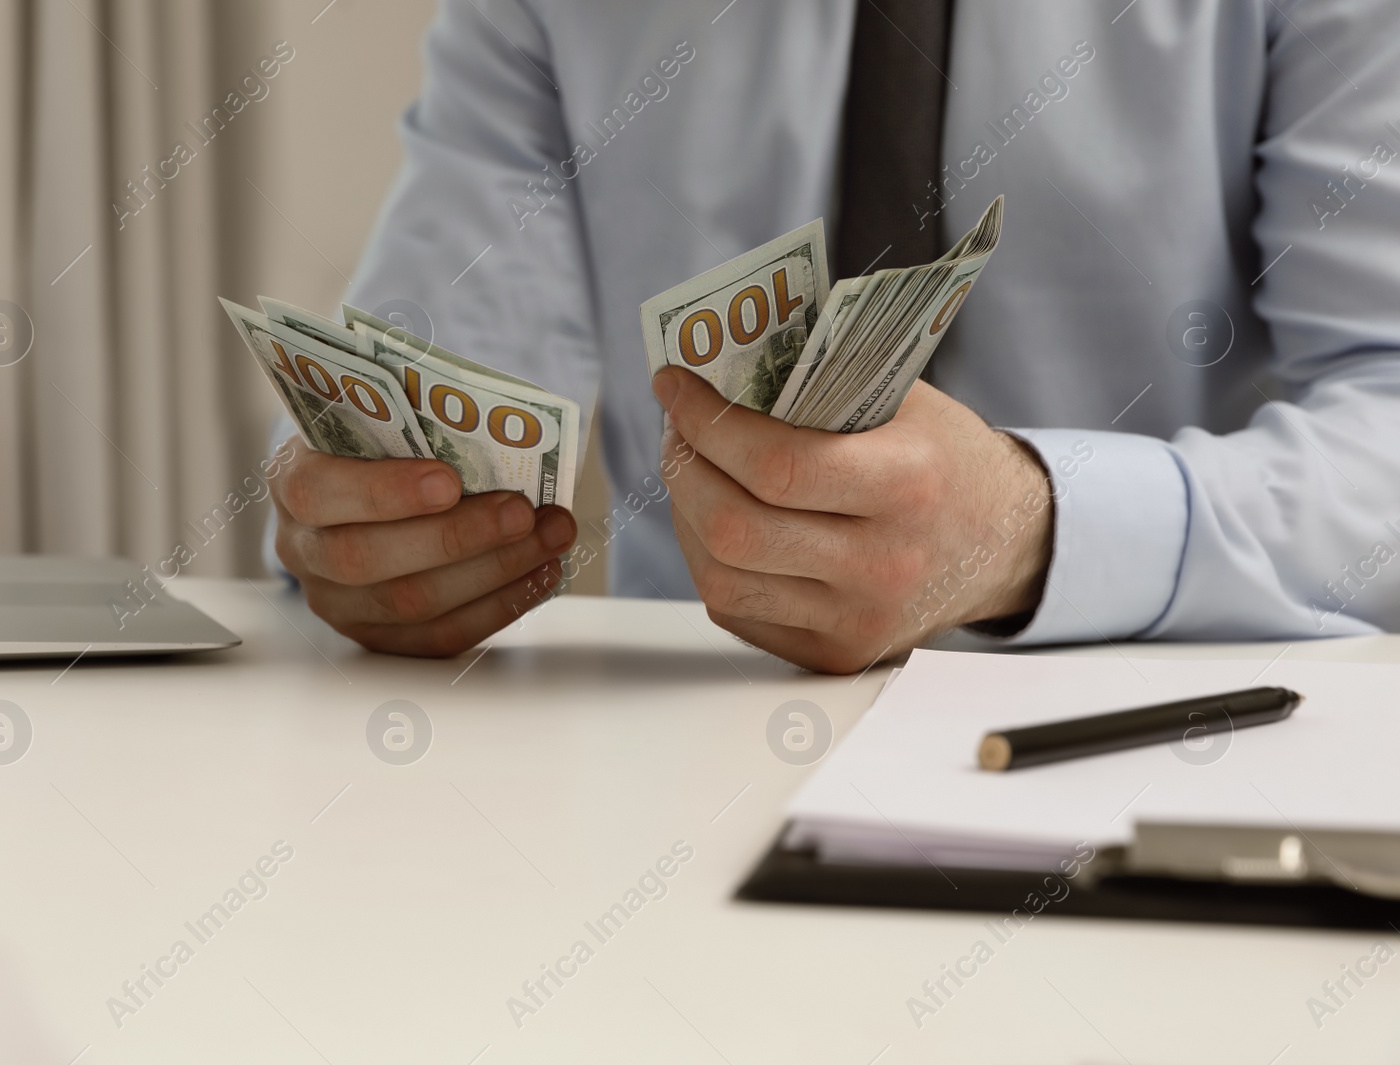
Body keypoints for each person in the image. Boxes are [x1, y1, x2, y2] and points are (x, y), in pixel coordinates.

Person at [266, 0, 1400, 673]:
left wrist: (1033, 527)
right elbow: (416, 407)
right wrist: (361, 538)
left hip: (1156, 753)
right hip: (691, 766)